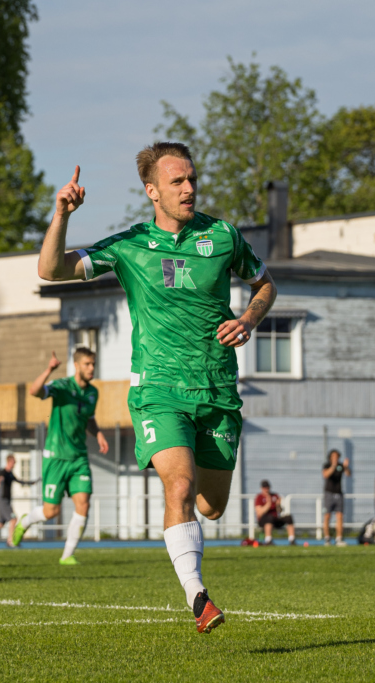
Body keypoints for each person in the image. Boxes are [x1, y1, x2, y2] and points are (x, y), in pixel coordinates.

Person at [35, 143, 276, 633]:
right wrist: (60, 215)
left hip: (218, 390)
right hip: (159, 388)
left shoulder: (223, 236)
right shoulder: (129, 245)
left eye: (191, 179)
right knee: (180, 485)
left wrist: (249, 319)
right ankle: (199, 598)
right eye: (176, 182)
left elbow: (266, 283)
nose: (188, 189)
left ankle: (191, 553)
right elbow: (50, 270)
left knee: (211, 505)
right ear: (152, 191)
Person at [13, 348, 109, 565]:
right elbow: (35, 391)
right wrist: (49, 370)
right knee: (50, 511)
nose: (91, 368)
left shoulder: (93, 393)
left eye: (93, 364)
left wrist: (99, 434)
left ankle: (67, 555)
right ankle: (25, 521)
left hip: (79, 458)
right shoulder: (62, 386)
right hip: (56, 456)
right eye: (87, 364)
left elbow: (89, 419)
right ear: (76, 365)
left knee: (83, 504)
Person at [0, 454, 39, 547]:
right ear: (9, 461)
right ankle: (10, 541)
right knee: (13, 519)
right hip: (3, 501)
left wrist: (31, 483)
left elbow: (19, 481)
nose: (14, 463)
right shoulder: (3, 472)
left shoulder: (10, 474)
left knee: (0, 523)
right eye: (13, 461)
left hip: (6, 501)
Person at [254, 480, 296, 545]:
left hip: (275, 519)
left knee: (288, 517)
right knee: (269, 517)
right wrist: (268, 503)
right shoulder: (259, 497)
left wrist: (278, 505)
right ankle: (268, 540)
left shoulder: (275, 495)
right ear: (261, 488)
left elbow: (280, 511)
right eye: (265, 488)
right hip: (263, 520)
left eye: (267, 487)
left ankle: (292, 540)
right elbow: (259, 513)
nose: (266, 490)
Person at [321, 449, 349, 546]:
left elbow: (348, 474)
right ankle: (327, 538)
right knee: (327, 516)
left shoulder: (341, 466)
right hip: (329, 494)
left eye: (337, 457)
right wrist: (333, 466)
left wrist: (345, 467)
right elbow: (325, 474)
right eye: (333, 456)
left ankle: (339, 538)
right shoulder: (327, 465)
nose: (335, 458)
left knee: (340, 516)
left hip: (339, 493)